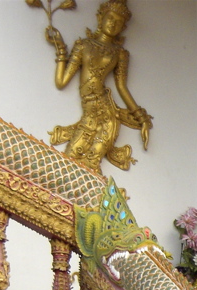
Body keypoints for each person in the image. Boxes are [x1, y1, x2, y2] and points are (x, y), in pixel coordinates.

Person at [45, 0, 152, 172]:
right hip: (89, 108)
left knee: (93, 162)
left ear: (123, 28)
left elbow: (122, 88)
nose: (113, 23)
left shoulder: (120, 54)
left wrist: (142, 119)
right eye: (110, 17)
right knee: (71, 155)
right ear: (100, 17)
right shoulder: (83, 46)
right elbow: (61, 82)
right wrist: (61, 50)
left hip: (107, 113)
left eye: (119, 22)